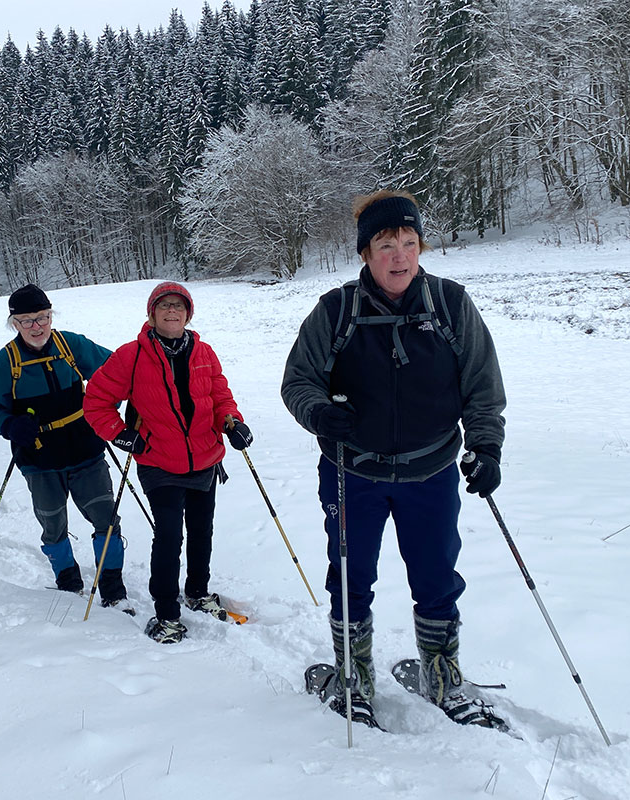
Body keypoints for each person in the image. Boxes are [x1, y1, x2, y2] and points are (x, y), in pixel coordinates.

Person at [281, 189, 508, 729]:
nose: (400, 255)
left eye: (410, 242)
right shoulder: (337, 311)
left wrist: (487, 447)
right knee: (350, 575)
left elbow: (482, 386)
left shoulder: (450, 305)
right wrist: (318, 413)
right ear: (365, 253)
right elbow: (298, 381)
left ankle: (441, 673)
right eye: (386, 244)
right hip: (351, 473)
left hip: (429, 473)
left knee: (435, 575)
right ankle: (353, 675)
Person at [83, 282, 253, 644]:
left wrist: (232, 422)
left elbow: (220, 396)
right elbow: (96, 401)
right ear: (152, 313)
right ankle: (166, 614)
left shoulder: (204, 352)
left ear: (188, 313)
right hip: (159, 461)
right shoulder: (131, 356)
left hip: (205, 458)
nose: (172, 312)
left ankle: (197, 592)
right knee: (170, 535)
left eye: (179, 306)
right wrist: (123, 435)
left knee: (202, 532)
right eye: (165, 306)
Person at [0, 284, 133, 612]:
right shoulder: (6, 361)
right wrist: (9, 425)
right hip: (39, 458)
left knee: (105, 517)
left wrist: (107, 407)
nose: (37, 326)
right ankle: (68, 579)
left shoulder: (70, 345)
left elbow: (116, 373)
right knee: (53, 523)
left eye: (43, 317)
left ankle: (113, 586)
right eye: (27, 320)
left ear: (51, 315)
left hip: (85, 449)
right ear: (14, 323)